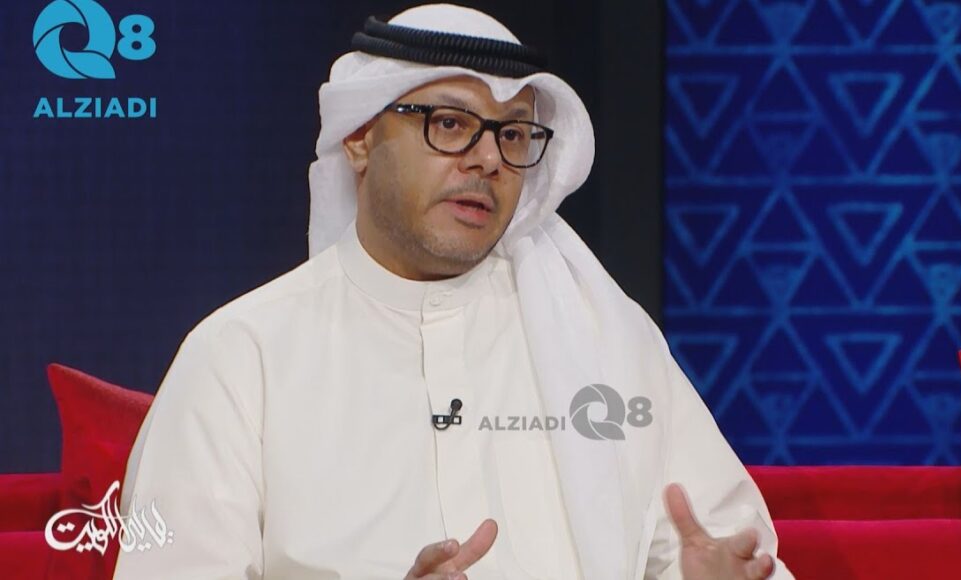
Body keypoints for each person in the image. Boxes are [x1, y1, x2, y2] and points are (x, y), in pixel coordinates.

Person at [113, 4, 794, 579]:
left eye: (514, 133)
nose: (489, 158)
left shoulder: (603, 336)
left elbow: (718, 547)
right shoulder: (240, 358)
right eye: (450, 123)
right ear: (359, 137)